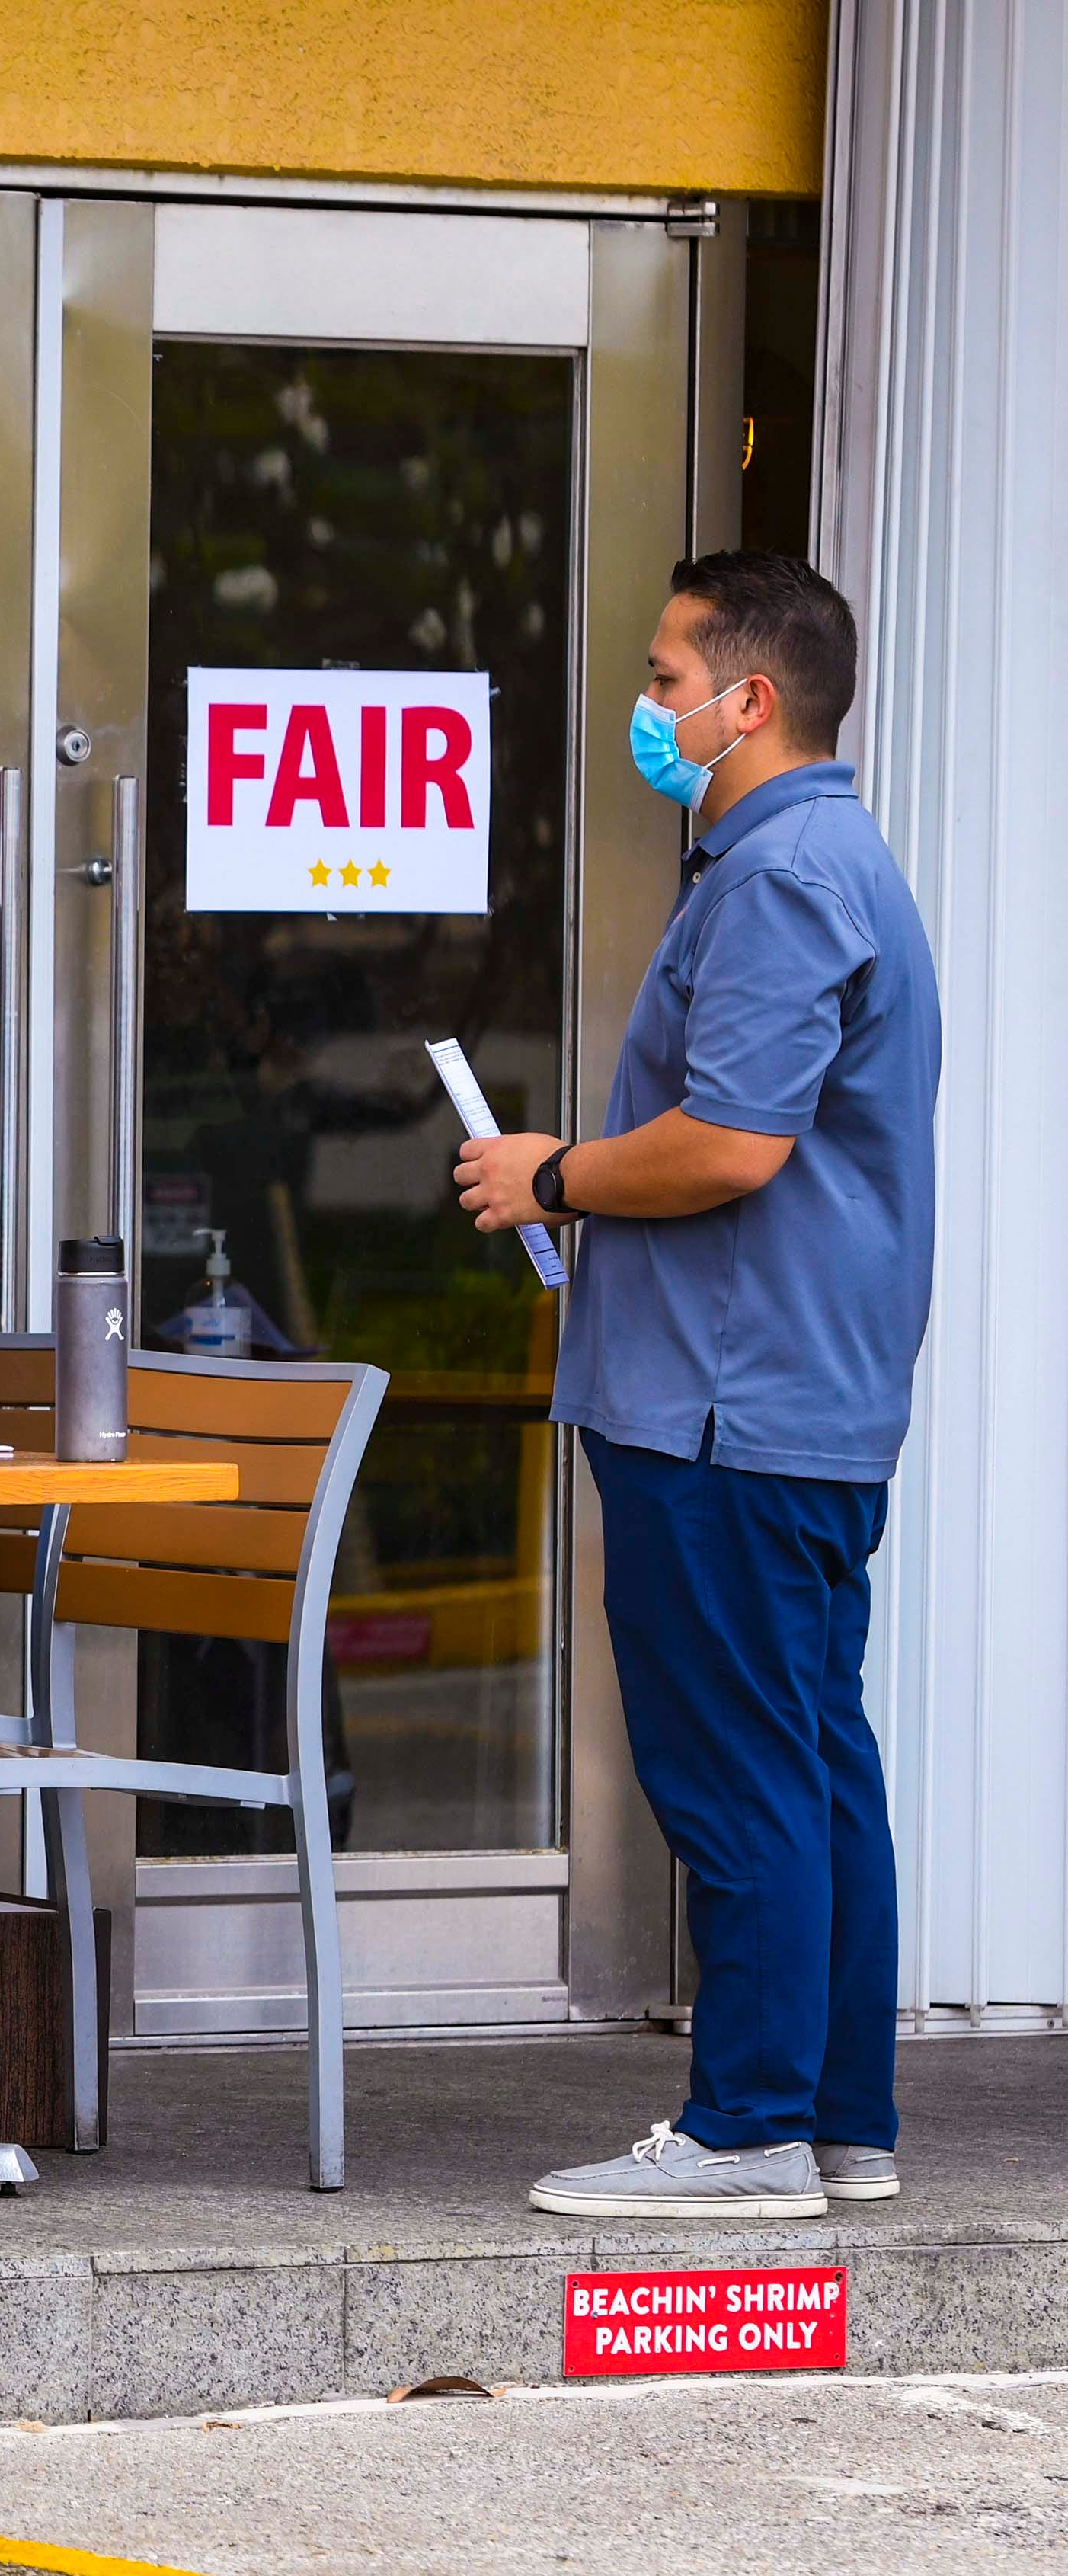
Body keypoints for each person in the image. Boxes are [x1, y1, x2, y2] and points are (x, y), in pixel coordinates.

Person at [457, 550, 939, 2222]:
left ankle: (744, 2133)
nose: (646, 707)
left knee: (738, 1765)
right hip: (787, 1395)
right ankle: (833, 2120)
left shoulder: (780, 875)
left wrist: (556, 1175)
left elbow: (733, 1141)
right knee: (808, 1758)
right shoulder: (815, 860)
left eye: (666, 678)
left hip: (725, 1405)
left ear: (749, 701)